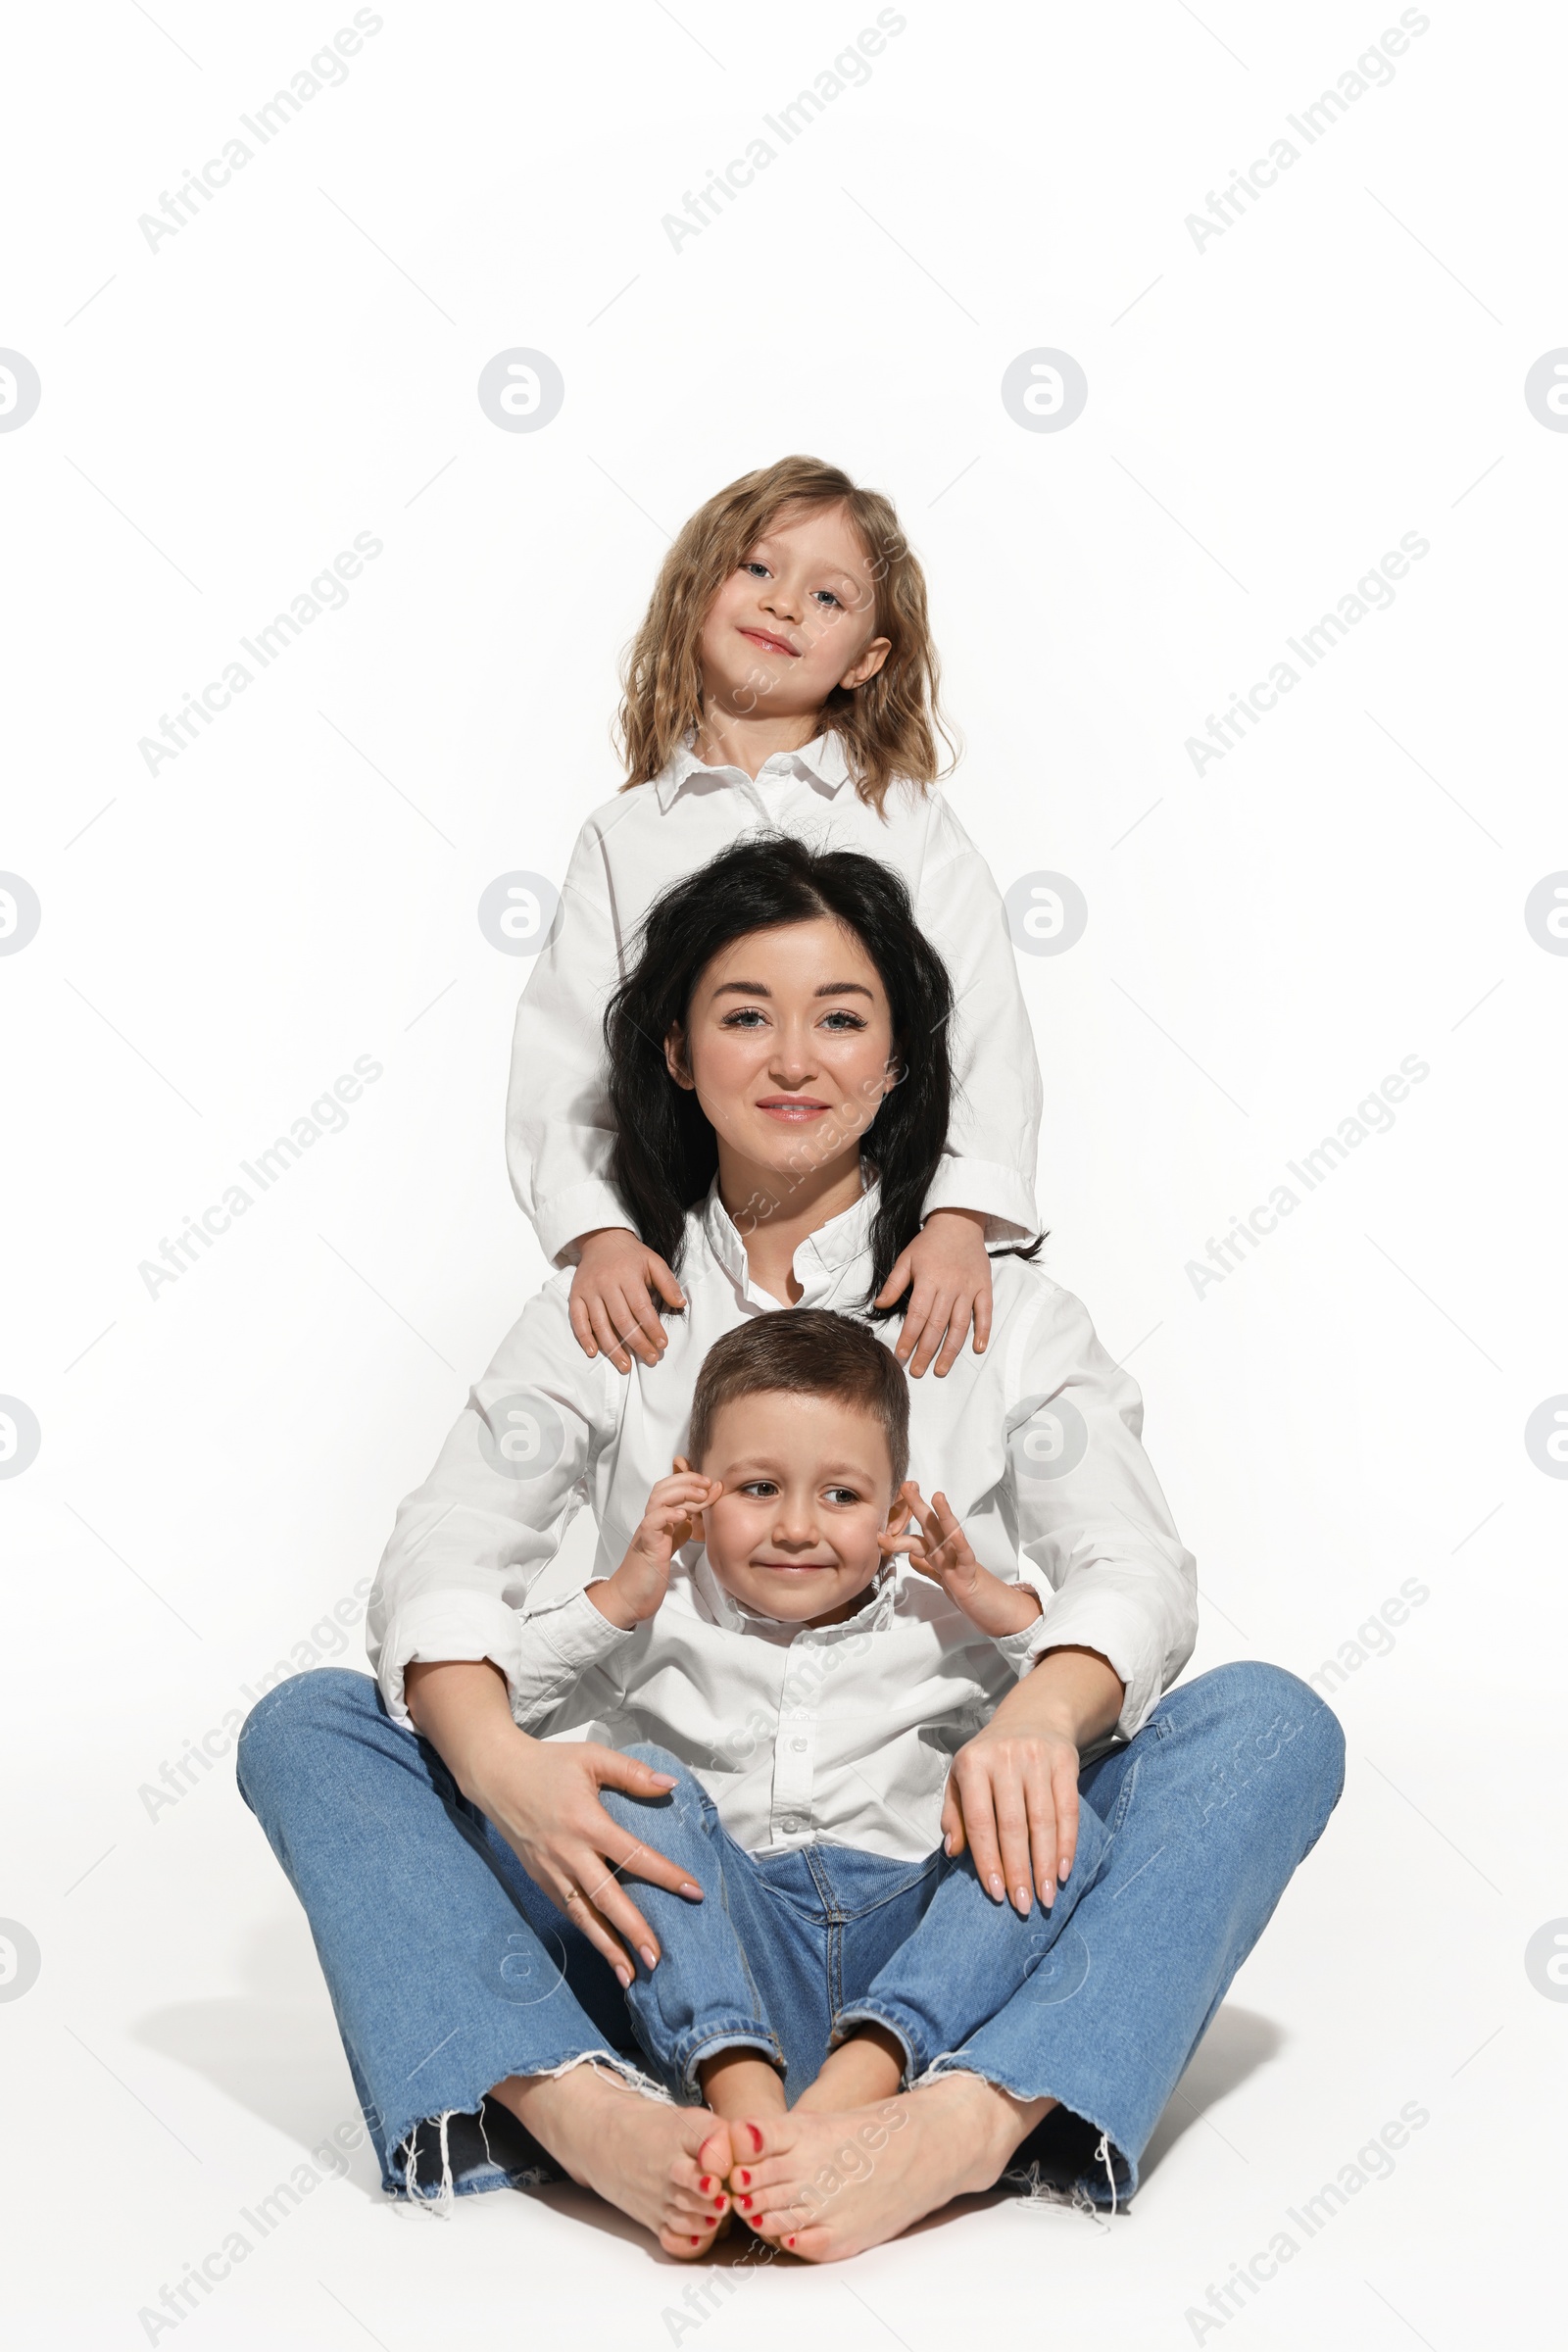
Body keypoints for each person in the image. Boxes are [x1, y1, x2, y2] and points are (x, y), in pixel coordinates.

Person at [236, 838, 1344, 2264]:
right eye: (745, 1013)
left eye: (842, 1017)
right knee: (314, 1728)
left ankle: (956, 2125)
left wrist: (1036, 1723)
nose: (793, 1057)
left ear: (901, 1063)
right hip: (653, 1908)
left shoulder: (1005, 1313)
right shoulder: (607, 1301)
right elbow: (445, 1552)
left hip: (959, 1897)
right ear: (677, 1054)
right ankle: (593, 2119)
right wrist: (508, 1769)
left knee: (1269, 1728)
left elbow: (1136, 1573)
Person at [537, 1305, 1124, 2182]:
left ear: (895, 1503)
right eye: (758, 1489)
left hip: (917, 1945)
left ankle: (857, 2088)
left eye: (842, 1496)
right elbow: (496, 1718)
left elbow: (1088, 1702)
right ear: (692, 1489)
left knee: (1048, 1803)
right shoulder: (658, 1620)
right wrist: (619, 1597)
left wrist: (984, 1595)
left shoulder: (941, 1621)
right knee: (630, 1784)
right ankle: (742, 2094)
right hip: (727, 1943)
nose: (799, 1528)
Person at [506, 453, 1043, 1383]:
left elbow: (987, 1027)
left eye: (830, 597)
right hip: (689, 1247)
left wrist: (960, 1224)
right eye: (757, 568)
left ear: (867, 661)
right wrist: (598, 1233)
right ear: (696, 592)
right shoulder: (625, 836)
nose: (786, 604)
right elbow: (565, 1057)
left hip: (885, 1246)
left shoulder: (907, 823)